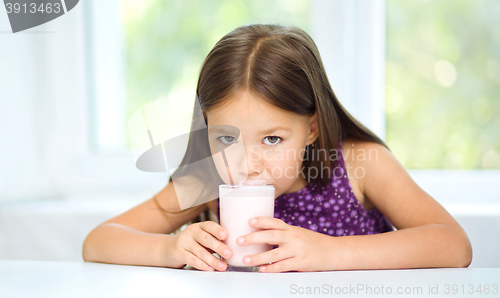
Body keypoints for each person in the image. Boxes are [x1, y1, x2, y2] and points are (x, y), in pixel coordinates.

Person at [82, 24, 472, 273]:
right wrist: (169, 249)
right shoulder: (210, 174)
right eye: (227, 138)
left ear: (312, 128)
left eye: (272, 139)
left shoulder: (357, 165)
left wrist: (331, 254)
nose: (248, 164)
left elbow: (453, 245)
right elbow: (98, 241)